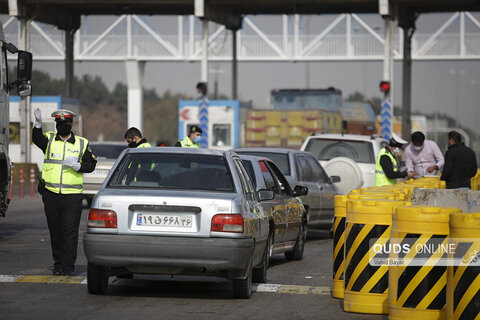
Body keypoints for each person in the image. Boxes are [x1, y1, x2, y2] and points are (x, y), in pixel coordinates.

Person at [32, 108, 97, 276]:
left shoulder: (82, 143)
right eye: (59, 123)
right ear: (56, 125)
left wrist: (80, 166)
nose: (62, 126)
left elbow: (91, 165)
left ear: (71, 124)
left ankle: (68, 267)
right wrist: (38, 124)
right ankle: (59, 264)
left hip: (72, 197)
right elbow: (36, 139)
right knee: (55, 231)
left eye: (65, 123)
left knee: (69, 232)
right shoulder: (50, 140)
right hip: (51, 194)